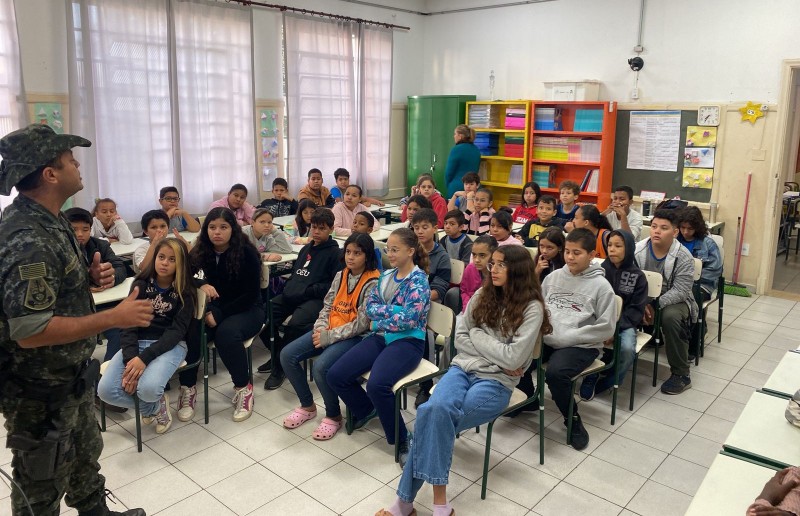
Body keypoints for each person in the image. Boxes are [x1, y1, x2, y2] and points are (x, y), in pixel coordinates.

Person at [0, 123, 152, 516]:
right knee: (41, 484)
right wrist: (112, 317)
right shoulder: (28, 236)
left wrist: (84, 281)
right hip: (38, 388)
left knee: (85, 457)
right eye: (70, 160)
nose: (78, 166)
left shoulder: (52, 221)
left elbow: (49, 295)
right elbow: (30, 330)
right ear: (50, 174)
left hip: (68, 376)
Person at [376, 245, 549, 516]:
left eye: (501, 264)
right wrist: (494, 349)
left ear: (518, 270)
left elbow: (513, 359)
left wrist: (479, 337)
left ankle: (405, 503)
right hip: (461, 370)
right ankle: (439, 505)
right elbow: (461, 338)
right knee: (433, 413)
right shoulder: (483, 294)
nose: (493, 268)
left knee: (431, 417)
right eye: (493, 263)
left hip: (496, 381)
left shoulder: (532, 308)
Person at [327, 228, 430, 464]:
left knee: (377, 385)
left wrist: (383, 316)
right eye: (388, 249)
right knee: (336, 375)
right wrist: (393, 312)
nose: (390, 254)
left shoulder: (419, 280)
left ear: (411, 251)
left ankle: (402, 438)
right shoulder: (386, 276)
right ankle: (367, 410)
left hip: (408, 341)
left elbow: (410, 320)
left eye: (395, 250)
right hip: (382, 336)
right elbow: (370, 308)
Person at [280, 233, 380, 440]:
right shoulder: (341, 274)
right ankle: (307, 406)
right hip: (329, 329)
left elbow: (362, 324)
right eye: (348, 252)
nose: (351, 257)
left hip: (355, 336)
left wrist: (329, 337)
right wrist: (320, 328)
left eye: (357, 253)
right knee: (287, 355)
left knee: (321, 367)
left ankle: (333, 415)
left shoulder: (373, 282)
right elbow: (327, 305)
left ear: (367, 255)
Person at [97, 238, 196, 435]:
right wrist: (131, 358)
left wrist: (144, 359)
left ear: (181, 264)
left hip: (170, 345)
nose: (165, 263)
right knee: (105, 391)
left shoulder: (185, 291)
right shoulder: (140, 284)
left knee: (147, 389)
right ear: (154, 258)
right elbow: (128, 325)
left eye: (172, 259)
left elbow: (176, 332)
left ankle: (153, 401)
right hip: (136, 343)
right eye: (161, 257)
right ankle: (155, 408)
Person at [182, 207, 264, 422]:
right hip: (213, 309)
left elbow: (251, 294)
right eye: (212, 227)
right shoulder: (198, 251)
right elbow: (187, 279)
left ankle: (243, 388)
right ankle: (187, 389)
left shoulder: (246, 253)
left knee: (226, 334)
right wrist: (203, 285)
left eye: (223, 227)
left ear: (233, 229)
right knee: (192, 332)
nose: (216, 232)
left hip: (246, 309)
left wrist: (219, 315)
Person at [541, 228, 616, 449]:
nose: (570, 257)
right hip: (550, 337)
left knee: (556, 373)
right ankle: (528, 396)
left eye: (577, 253)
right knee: (519, 352)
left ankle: (572, 419)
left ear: (592, 255)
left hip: (581, 344)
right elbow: (540, 308)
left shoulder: (602, 287)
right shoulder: (554, 277)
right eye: (567, 252)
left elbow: (605, 328)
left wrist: (568, 336)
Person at [261, 208, 342, 390]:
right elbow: (297, 274)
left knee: (296, 323)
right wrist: (292, 287)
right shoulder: (306, 248)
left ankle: (280, 366)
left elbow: (332, 286)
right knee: (264, 313)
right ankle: (276, 355)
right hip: (294, 293)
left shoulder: (335, 254)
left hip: (316, 298)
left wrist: (308, 290)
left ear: (330, 229)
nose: (316, 232)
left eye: (321, 228)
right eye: (314, 227)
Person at [634, 209, 698, 395]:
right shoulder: (638, 250)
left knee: (670, 318)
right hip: (644, 298)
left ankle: (681, 374)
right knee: (617, 306)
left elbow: (681, 290)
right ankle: (611, 362)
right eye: (654, 226)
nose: (656, 231)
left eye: (663, 228)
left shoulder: (683, 256)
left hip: (674, 300)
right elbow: (631, 280)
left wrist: (655, 306)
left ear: (675, 232)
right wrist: (641, 303)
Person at [579, 229, 648, 401]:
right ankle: (591, 374)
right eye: (609, 245)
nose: (612, 249)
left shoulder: (638, 276)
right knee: (582, 338)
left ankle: (610, 381)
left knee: (626, 349)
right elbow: (591, 301)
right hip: (599, 320)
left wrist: (614, 329)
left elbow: (636, 310)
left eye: (618, 246)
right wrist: (603, 327)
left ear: (629, 249)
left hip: (624, 324)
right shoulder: (599, 270)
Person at [65, 207, 127, 368]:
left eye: (85, 229)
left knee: (120, 330)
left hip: (103, 305)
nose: (80, 234)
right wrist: (87, 283)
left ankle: (108, 373)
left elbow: (120, 267)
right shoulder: (59, 249)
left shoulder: (99, 245)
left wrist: (109, 279)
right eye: (74, 229)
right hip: (73, 309)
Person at [411, 208, 451, 406]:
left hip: (431, 305)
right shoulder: (410, 250)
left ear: (436, 228)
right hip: (410, 305)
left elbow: (440, 289)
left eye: (425, 227)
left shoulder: (441, 256)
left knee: (424, 334)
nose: (420, 231)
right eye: (416, 227)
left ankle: (425, 386)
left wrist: (419, 300)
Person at [677, 206, 722, 302]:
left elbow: (714, 270)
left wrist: (690, 280)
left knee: (686, 297)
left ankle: (693, 316)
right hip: (677, 282)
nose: (685, 232)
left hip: (702, 285)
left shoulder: (708, 244)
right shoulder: (675, 240)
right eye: (683, 227)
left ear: (697, 228)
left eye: (690, 228)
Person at [459, 235, 498, 313]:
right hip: (469, 310)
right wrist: (468, 309)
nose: (476, 260)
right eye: (474, 255)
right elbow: (464, 291)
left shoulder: (498, 273)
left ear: (493, 255)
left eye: (482, 255)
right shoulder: (470, 268)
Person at [443, 124, 481, 198]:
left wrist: (449, 186)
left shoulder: (456, 149)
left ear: (460, 136)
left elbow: (448, 173)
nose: (454, 136)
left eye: (455, 134)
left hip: (457, 187)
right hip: (473, 187)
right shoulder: (476, 149)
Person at [133, 210, 170, 274]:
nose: (159, 230)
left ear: (168, 227)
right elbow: (144, 269)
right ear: (145, 231)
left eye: (163, 226)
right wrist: (154, 244)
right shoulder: (141, 250)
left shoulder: (173, 245)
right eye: (154, 227)